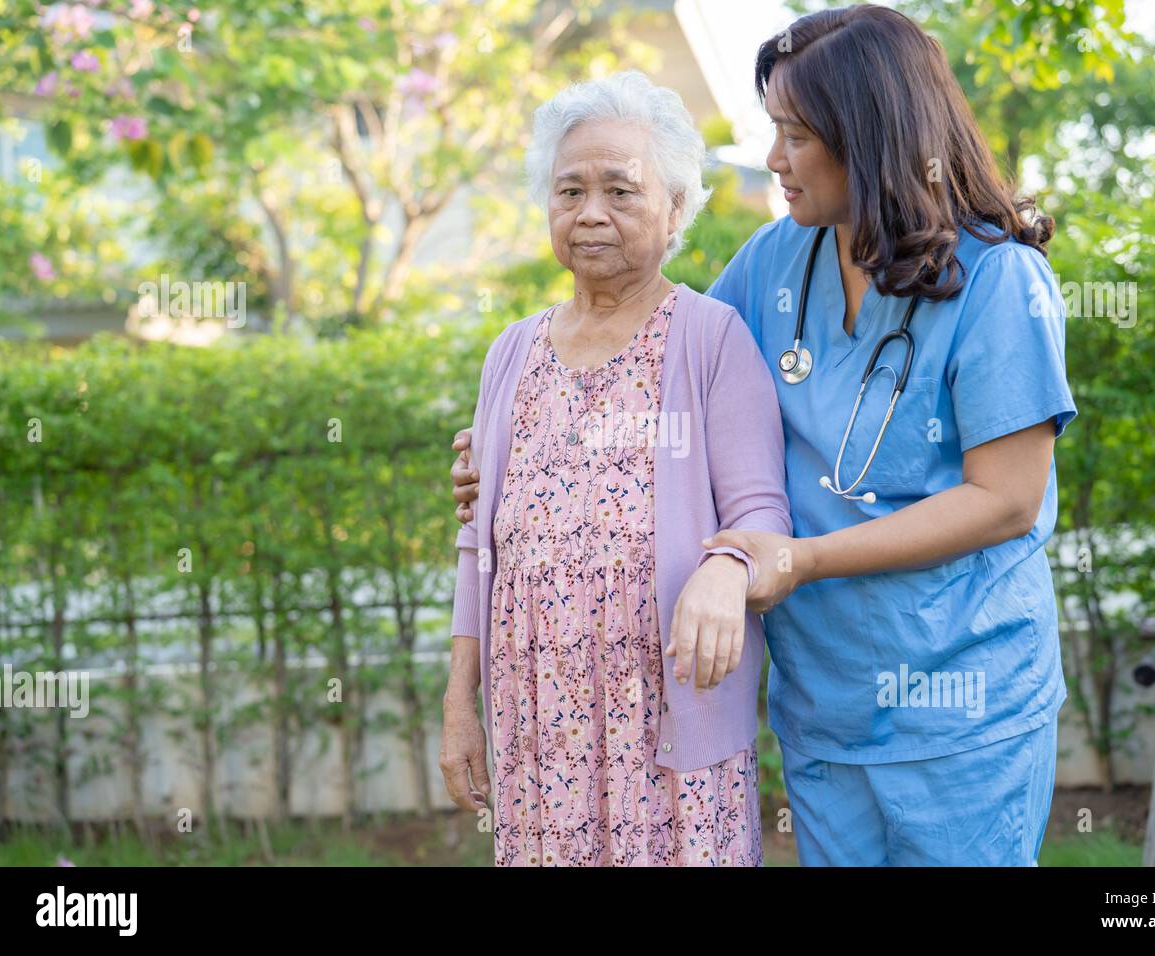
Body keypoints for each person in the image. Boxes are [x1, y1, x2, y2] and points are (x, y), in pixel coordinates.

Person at [454, 5, 1078, 866]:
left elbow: (1007, 501)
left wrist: (800, 558)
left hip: (961, 703)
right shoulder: (777, 260)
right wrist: (518, 449)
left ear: (869, 133)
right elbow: (665, 370)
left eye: (794, 133)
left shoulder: (1001, 279)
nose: (774, 158)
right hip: (824, 701)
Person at [439, 71, 791, 866]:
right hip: (537, 730)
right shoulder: (511, 355)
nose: (590, 212)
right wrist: (460, 704)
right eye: (569, 191)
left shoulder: (711, 339)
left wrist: (729, 565)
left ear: (675, 210)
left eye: (620, 191)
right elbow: (478, 545)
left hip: (670, 724)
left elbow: (764, 517)